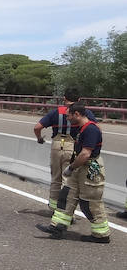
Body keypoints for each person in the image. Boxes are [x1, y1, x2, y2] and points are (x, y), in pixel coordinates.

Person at [37, 103, 110, 243]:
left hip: (89, 170)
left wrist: (71, 168)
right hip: (79, 167)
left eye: (69, 115)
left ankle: (101, 235)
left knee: (89, 203)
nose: (67, 118)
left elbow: (85, 154)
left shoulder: (91, 130)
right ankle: (57, 227)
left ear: (77, 114)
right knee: (67, 195)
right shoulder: (81, 129)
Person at [33, 89, 96, 211]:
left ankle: (53, 208)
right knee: (68, 180)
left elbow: (37, 127)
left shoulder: (55, 112)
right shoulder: (83, 113)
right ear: (79, 100)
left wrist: (40, 138)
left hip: (56, 145)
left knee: (55, 178)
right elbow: (95, 127)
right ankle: (64, 210)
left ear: (64, 98)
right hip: (72, 146)